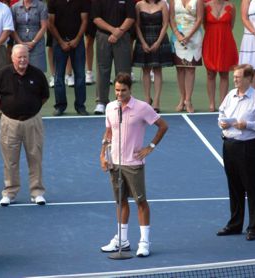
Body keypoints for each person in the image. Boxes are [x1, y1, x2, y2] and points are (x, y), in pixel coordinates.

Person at [100, 72, 168, 257]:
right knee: (120, 201)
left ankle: (144, 242)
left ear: (130, 89)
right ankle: (122, 239)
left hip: (134, 164)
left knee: (140, 202)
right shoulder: (110, 107)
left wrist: (150, 147)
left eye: (123, 90)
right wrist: (102, 155)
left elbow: (163, 125)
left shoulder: (142, 108)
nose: (119, 94)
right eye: (116, 90)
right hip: (115, 163)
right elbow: (109, 132)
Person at [217, 64, 255, 241]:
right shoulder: (230, 96)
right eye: (234, 77)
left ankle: (254, 227)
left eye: (238, 77)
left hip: (249, 148)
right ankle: (235, 225)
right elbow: (221, 113)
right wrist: (222, 123)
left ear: (249, 78)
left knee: (253, 188)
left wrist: (247, 125)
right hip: (229, 146)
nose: (235, 79)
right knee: (234, 187)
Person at [0, 44, 49, 206]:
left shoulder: (37, 75)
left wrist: (32, 108)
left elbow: (44, 96)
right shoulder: (2, 75)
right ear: (12, 58)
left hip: (33, 122)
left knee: (35, 157)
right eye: (19, 57)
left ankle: (37, 192)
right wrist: (7, 109)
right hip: (9, 123)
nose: (22, 60)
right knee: (10, 160)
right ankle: (9, 192)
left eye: (25, 57)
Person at [92, 0, 136, 115]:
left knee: (123, 71)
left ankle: (122, 101)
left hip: (123, 36)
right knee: (102, 69)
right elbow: (96, 18)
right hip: (103, 36)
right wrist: (113, 31)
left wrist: (118, 33)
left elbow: (131, 17)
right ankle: (101, 102)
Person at [48, 0, 89, 116]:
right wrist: (61, 42)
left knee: (80, 75)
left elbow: (85, 20)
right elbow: (50, 23)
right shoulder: (52, 1)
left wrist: (77, 39)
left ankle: (80, 106)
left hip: (78, 42)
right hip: (59, 43)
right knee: (58, 77)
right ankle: (60, 106)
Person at [133, 0, 173, 113]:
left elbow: (165, 24)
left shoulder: (163, 4)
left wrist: (158, 42)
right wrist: (143, 42)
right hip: (144, 38)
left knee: (157, 70)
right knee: (145, 70)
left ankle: (156, 101)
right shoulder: (139, 5)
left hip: (159, 38)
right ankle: (147, 99)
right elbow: (137, 25)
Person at [202, 0, 238, 112]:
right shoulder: (205, 6)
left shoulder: (231, 7)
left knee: (224, 73)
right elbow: (204, 25)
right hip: (210, 42)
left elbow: (231, 26)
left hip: (226, 42)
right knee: (210, 73)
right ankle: (211, 103)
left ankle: (223, 103)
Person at [170, 0, 204, 113]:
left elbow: (199, 19)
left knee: (190, 69)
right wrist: (177, 33)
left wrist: (189, 36)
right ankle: (182, 98)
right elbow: (171, 17)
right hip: (177, 37)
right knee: (180, 69)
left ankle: (188, 100)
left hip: (193, 37)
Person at [11, 0, 48, 72]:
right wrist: (20, 43)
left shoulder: (42, 6)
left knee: (37, 71)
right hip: (19, 42)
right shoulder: (14, 7)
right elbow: (12, 28)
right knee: (20, 70)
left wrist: (33, 42)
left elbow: (44, 27)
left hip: (37, 44)